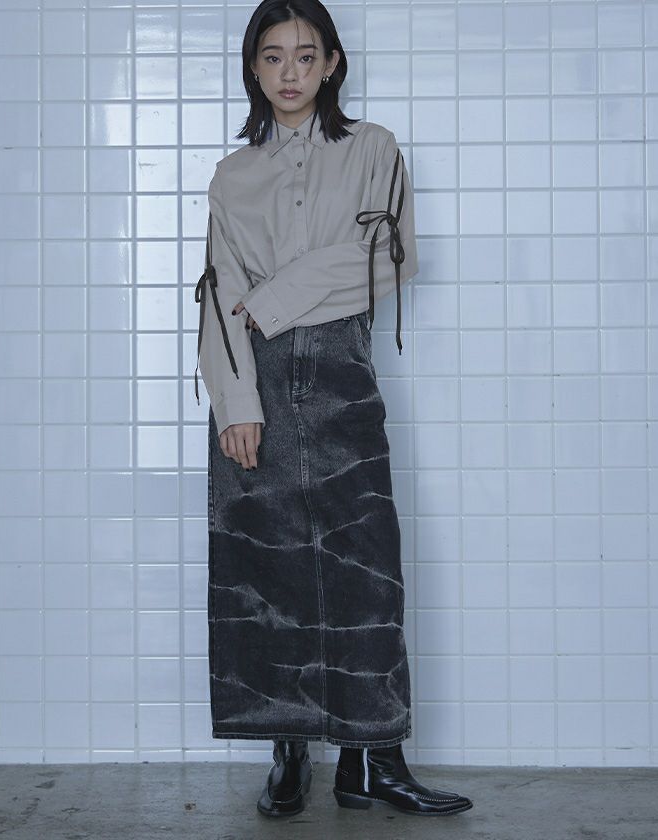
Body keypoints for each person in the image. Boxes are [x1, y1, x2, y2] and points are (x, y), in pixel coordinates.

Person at [194, 0, 474, 820]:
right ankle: (288, 753)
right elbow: (218, 296)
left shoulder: (374, 150)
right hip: (256, 380)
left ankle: (373, 760)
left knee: (365, 565)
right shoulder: (232, 176)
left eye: (306, 55)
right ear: (253, 68)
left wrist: (275, 295)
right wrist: (235, 403)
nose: (290, 73)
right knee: (267, 569)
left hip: (343, 374)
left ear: (332, 64)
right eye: (273, 57)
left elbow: (389, 255)